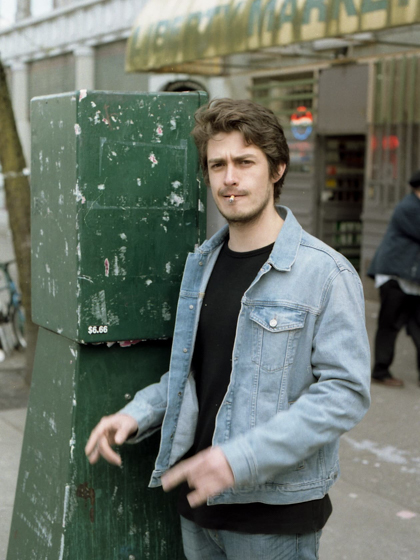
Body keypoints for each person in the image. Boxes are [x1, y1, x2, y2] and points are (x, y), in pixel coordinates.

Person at [85, 99, 371, 560]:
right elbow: (197, 375)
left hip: (273, 518)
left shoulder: (326, 274)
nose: (229, 178)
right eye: (217, 165)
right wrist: (137, 414)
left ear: (277, 169)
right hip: (198, 508)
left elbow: (345, 393)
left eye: (244, 162)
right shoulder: (202, 265)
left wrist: (240, 460)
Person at [368, 171, 420, 388]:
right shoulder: (409, 208)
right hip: (394, 276)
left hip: (412, 279)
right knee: (389, 325)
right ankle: (380, 371)